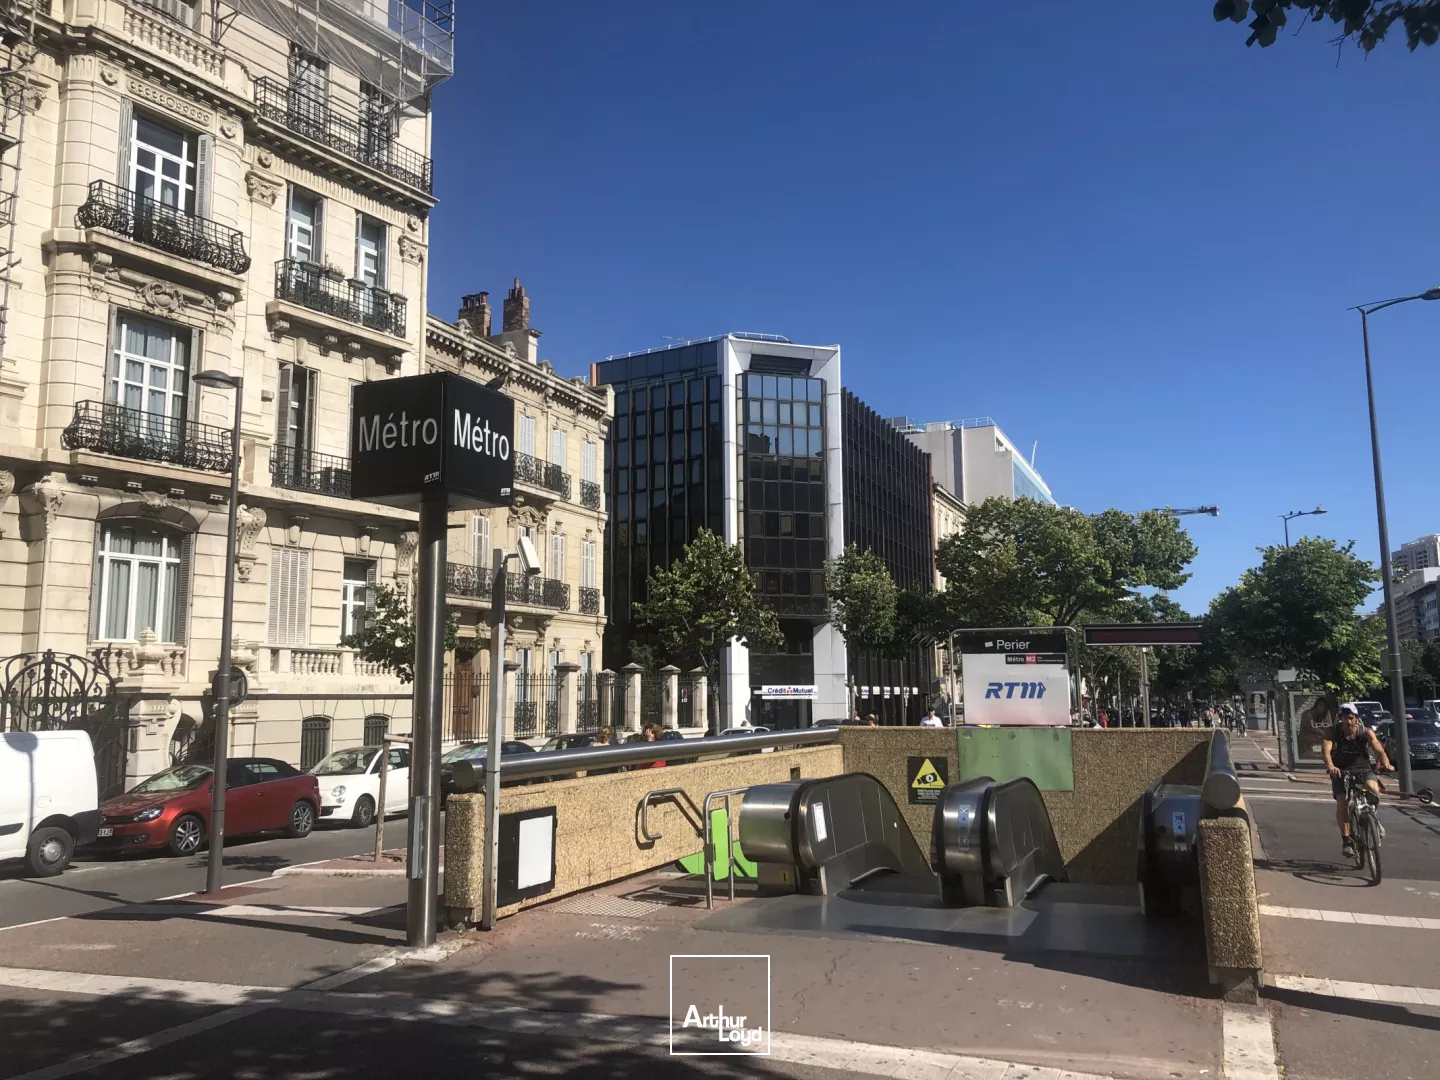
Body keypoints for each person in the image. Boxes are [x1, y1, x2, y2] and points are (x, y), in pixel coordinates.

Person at [1323, 703, 1394, 859]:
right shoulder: (1333, 732)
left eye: (1351, 718)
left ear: (1356, 719)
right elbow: (1326, 750)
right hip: (1341, 770)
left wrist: (1386, 763)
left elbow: (1378, 749)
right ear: (1340, 719)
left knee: (1373, 790)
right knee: (1343, 801)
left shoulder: (1365, 732)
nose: (1348, 722)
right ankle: (1346, 841)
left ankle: (1372, 820)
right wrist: (1330, 766)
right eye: (1344, 718)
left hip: (1363, 768)